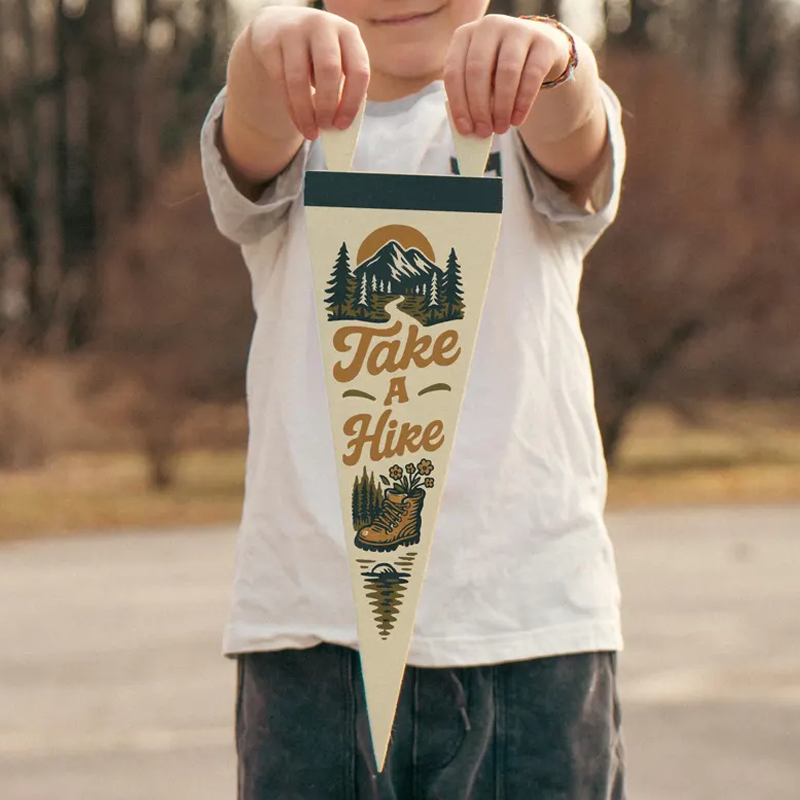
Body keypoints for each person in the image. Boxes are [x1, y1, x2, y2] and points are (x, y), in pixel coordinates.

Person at [201, 2, 627, 798]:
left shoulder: (531, 113)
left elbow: (580, 140)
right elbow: (251, 134)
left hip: (530, 630)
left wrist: (557, 56)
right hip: (315, 638)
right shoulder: (293, 122)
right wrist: (264, 49)